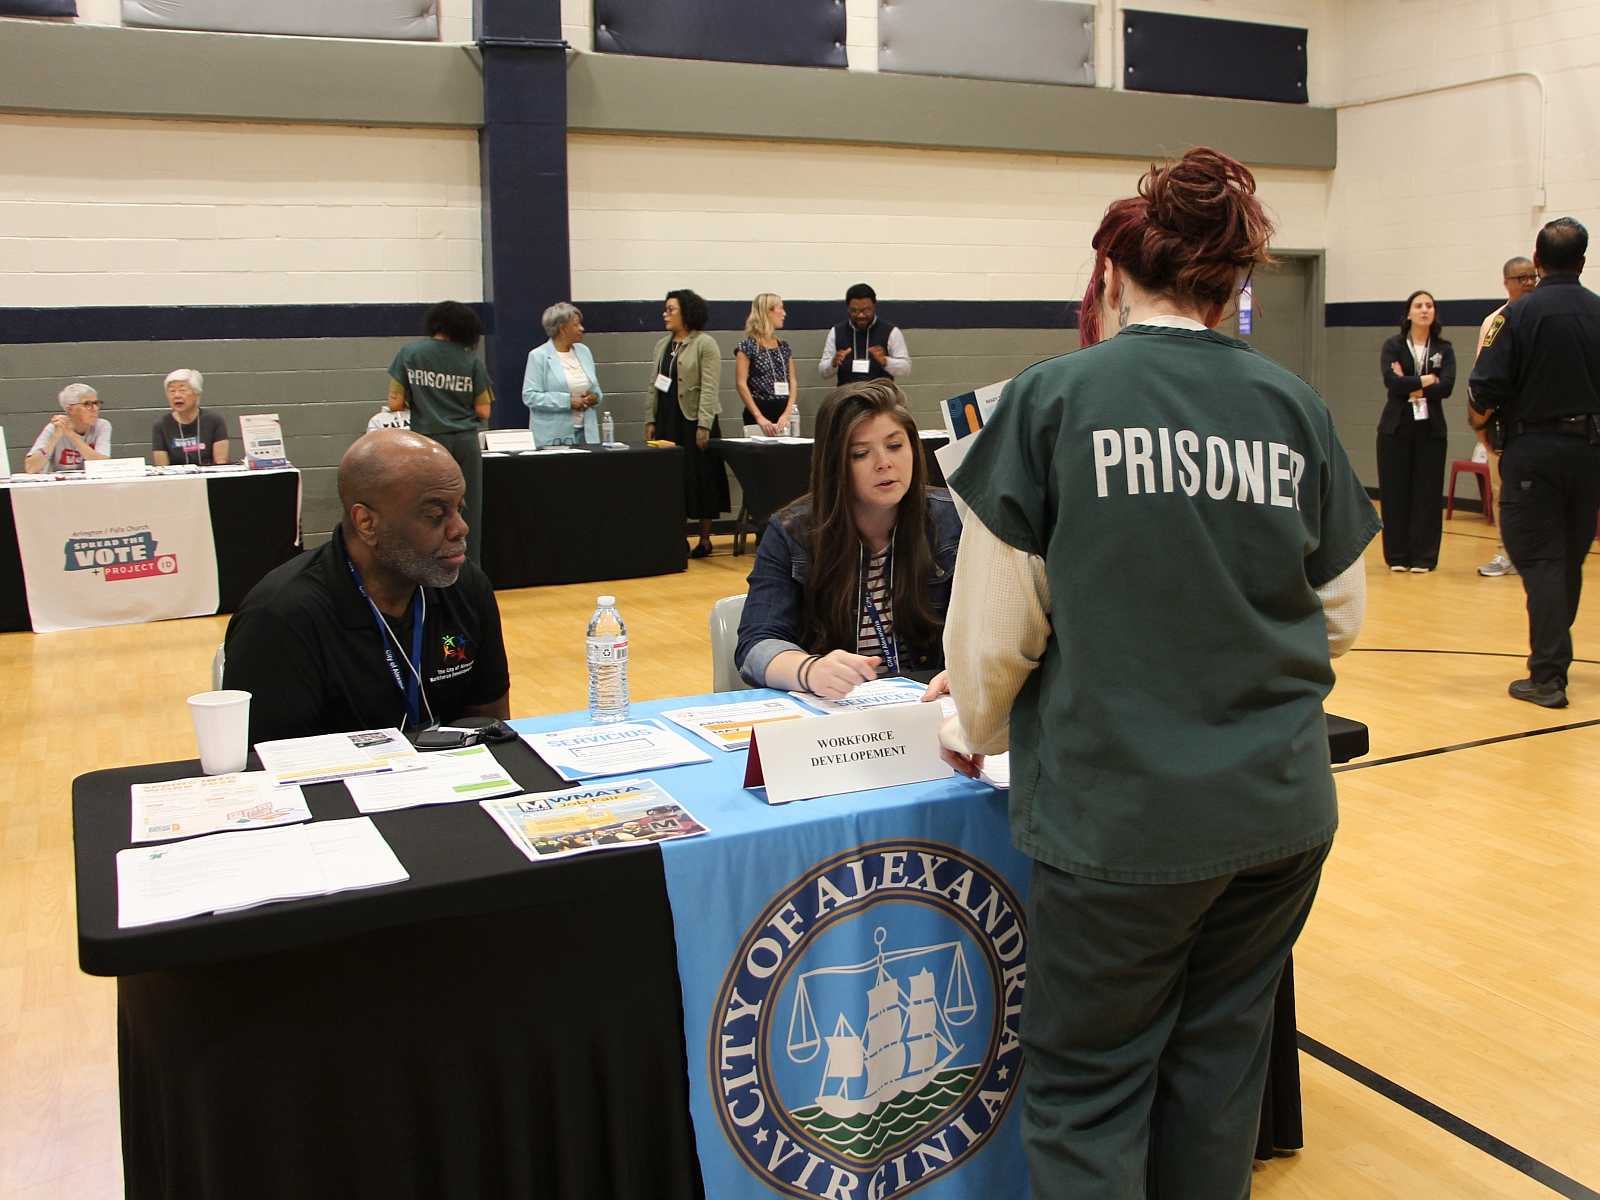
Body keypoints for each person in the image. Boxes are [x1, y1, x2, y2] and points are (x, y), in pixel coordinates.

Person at [936, 148, 1379, 1200]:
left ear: (1111, 277)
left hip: (1122, 822)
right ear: (1234, 284)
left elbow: (995, 643)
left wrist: (984, 728)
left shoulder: (1047, 404)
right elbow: (1342, 615)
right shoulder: (1294, 408)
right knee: (1215, 1080)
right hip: (1275, 816)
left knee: (1089, 1087)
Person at [223, 429, 510, 746]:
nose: (460, 528)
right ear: (367, 523)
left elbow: (492, 730)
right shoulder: (281, 617)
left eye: (460, 508)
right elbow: (270, 768)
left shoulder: (466, 586)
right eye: (435, 515)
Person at [735, 378, 962, 696]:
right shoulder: (792, 532)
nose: (884, 463)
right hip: (838, 718)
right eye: (860, 453)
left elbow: (998, 626)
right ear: (835, 465)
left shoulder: (954, 519)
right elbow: (755, 645)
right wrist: (809, 670)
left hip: (930, 708)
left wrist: (964, 670)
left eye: (895, 446)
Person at [1468, 217, 1600, 709]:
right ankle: (1555, 657)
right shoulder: (1598, 313)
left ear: (1537, 262)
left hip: (1534, 452)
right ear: (1583, 262)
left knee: (1540, 560)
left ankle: (1548, 675)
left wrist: (1487, 432)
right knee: (1568, 556)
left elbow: (1485, 390)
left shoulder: (1517, 317)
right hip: (1589, 453)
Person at [387, 301, 492, 564]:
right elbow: (484, 412)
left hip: (429, 444)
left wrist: (421, 400)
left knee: (428, 509)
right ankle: (469, 574)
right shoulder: (470, 361)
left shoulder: (409, 354)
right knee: (468, 512)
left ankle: (429, 569)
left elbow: (394, 404)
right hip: (465, 443)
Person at [1377, 292, 1456, 572]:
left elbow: (1446, 386)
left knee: (1427, 492)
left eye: (1429, 306)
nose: (1424, 310)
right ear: (1408, 313)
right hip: (1396, 426)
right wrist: (1425, 380)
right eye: (1418, 306)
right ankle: (1397, 555)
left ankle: (1423, 556)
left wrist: (1409, 381)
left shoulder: (1444, 349)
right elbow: (1392, 383)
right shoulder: (1393, 346)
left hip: (1430, 427)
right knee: (1396, 490)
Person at [645, 289, 727, 558]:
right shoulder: (662, 345)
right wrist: (650, 419)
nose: (665, 315)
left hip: (694, 420)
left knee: (701, 476)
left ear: (687, 312)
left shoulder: (705, 344)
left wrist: (704, 424)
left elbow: (709, 386)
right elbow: (653, 385)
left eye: (671, 309)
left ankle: (704, 538)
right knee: (673, 479)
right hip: (668, 419)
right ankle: (676, 537)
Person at [1476, 256, 1540, 577]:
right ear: (1507, 283)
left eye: (1533, 277)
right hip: (1503, 423)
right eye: (1522, 278)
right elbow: (1483, 379)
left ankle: (1535, 555)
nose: (1529, 282)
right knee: (1503, 490)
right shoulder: (1495, 322)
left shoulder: (1545, 316)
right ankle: (1505, 553)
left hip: (1539, 422)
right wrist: (1482, 427)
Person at [522, 302, 603, 447]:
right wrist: (567, 401)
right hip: (554, 436)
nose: (581, 329)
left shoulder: (584, 352)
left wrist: (594, 398)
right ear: (562, 328)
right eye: (576, 325)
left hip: (586, 434)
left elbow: (595, 387)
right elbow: (530, 396)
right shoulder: (539, 356)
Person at [817, 284, 911, 385]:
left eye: (866, 310)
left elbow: (906, 369)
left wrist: (885, 361)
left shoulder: (891, 331)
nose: (861, 315)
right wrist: (833, 363)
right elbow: (823, 372)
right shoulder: (836, 332)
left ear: (874, 307)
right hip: (847, 397)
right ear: (848, 308)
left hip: (880, 397)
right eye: (855, 311)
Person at [734, 293, 798, 435]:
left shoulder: (783, 346)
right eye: (780, 309)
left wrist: (788, 412)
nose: (784, 314)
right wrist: (759, 416)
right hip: (760, 408)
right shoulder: (748, 346)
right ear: (768, 312)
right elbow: (740, 384)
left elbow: (792, 381)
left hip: (783, 408)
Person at [25, 383, 110, 473]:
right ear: (70, 410)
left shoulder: (102, 426)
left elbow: (102, 465)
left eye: (96, 403)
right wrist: (55, 437)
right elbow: (31, 468)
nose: (95, 409)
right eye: (87, 404)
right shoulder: (54, 428)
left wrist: (71, 434)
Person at [152, 370, 229, 466]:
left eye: (182, 390)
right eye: (172, 391)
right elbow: (161, 467)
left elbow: (221, 461)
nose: (176, 395)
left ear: (197, 395)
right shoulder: (161, 425)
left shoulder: (214, 420)